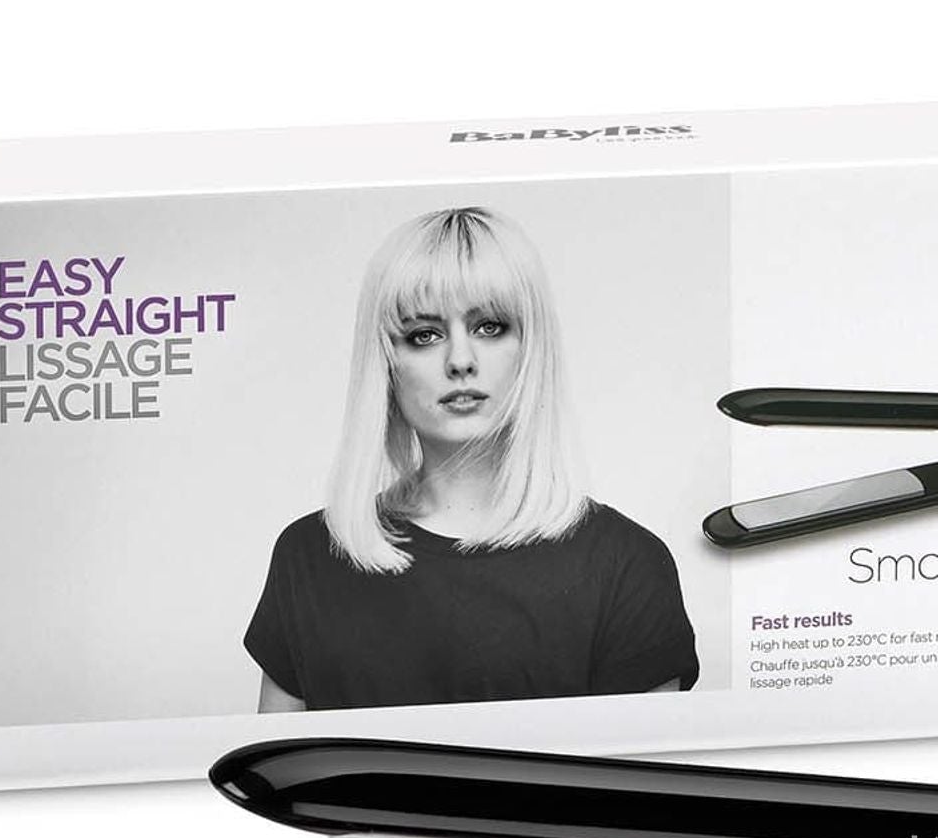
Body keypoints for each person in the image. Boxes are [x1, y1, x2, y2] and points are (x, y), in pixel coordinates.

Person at [246, 206, 698, 711]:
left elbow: (638, 763)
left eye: (489, 326)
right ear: (386, 362)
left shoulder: (626, 566)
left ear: (531, 348)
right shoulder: (308, 557)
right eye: (424, 334)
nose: (460, 361)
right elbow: (277, 760)